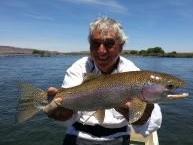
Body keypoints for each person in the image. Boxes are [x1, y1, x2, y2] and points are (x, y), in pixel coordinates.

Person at [47, 17, 162, 145]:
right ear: (90, 45)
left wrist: (142, 119)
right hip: (78, 134)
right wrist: (60, 112)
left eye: (109, 44)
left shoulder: (132, 72)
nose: (101, 51)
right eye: (96, 43)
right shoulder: (78, 68)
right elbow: (67, 117)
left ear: (121, 46)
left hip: (118, 137)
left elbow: (153, 123)